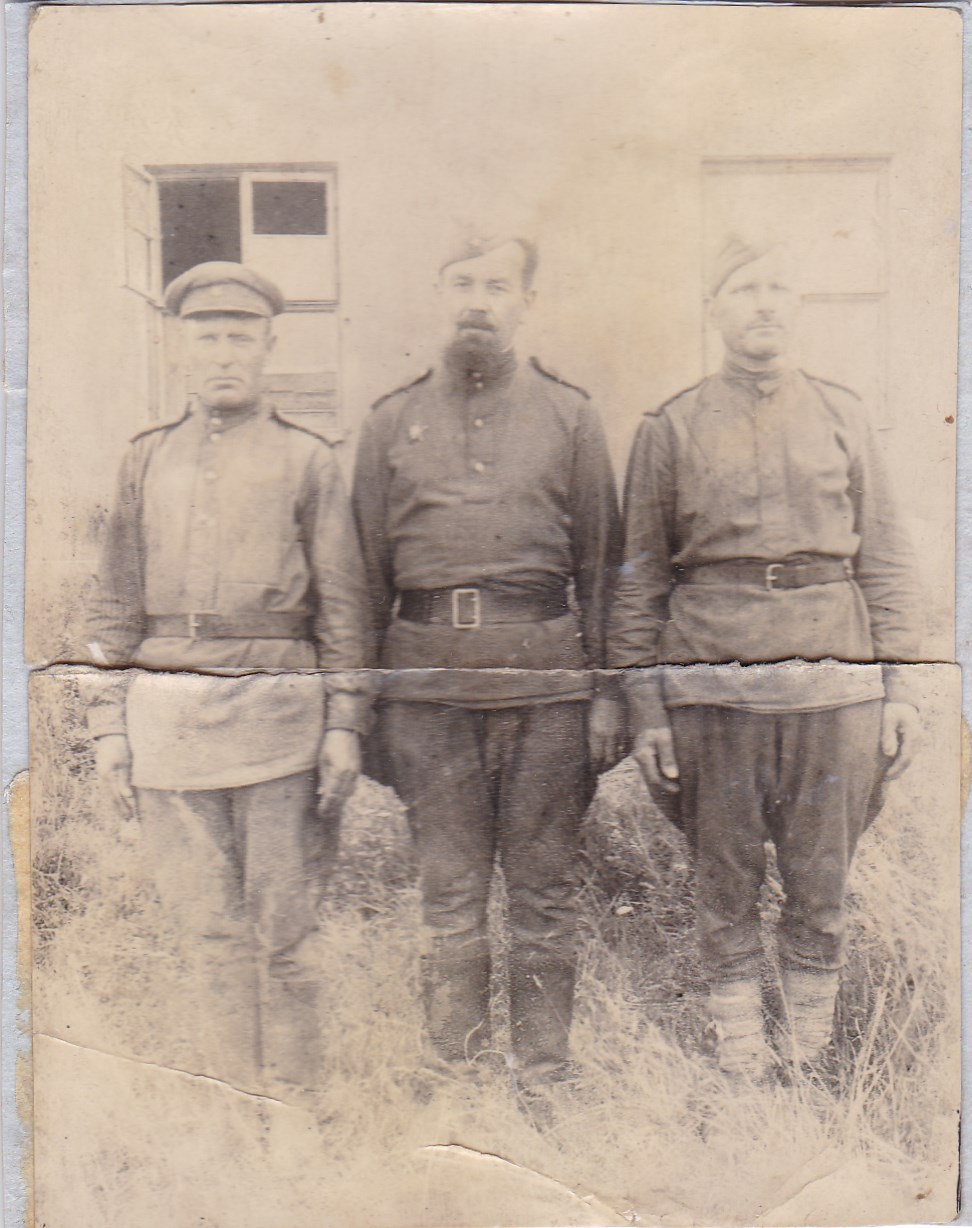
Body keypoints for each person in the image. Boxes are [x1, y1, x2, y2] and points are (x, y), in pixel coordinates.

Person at [608, 236, 922, 1081]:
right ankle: (742, 1056)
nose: (765, 304)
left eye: (780, 287)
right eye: (745, 288)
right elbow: (639, 581)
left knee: (822, 880)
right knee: (726, 881)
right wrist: (646, 710)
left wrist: (902, 688)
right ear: (714, 309)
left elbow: (888, 560)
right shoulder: (671, 426)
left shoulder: (843, 414)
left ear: (798, 305)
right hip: (713, 686)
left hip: (834, 686)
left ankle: (811, 1055)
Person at [85, 261, 372, 1101]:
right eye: (206, 337)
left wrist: (344, 722)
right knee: (210, 933)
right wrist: (108, 726)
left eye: (240, 338)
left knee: (286, 933)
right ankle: (233, 1111)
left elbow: (344, 609)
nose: (223, 354)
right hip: (169, 727)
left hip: (279, 723)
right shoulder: (144, 459)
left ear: (269, 347)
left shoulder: (309, 460)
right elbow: (114, 605)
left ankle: (295, 1109)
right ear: (179, 348)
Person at [352, 233, 623, 1099]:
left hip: (546, 688)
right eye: (462, 282)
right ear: (439, 295)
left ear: (526, 302)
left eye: (497, 285)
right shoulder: (390, 421)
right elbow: (362, 579)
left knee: (543, 894)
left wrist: (608, 695)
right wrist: (361, 708)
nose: (478, 299)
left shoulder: (570, 416)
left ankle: (544, 1076)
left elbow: (603, 570)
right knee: (449, 893)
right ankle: (456, 1075)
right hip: (426, 692)